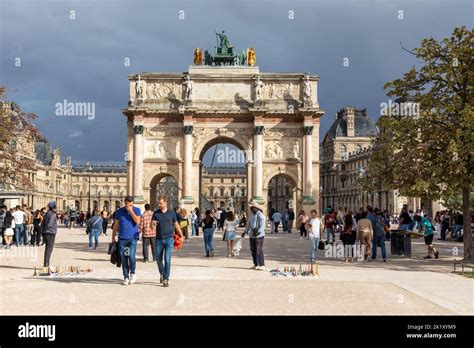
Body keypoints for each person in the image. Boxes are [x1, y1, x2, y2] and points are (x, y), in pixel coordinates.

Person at [152, 195, 183, 287]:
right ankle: (162, 273)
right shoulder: (155, 213)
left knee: (167, 259)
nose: (159, 204)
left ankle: (166, 278)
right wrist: (152, 224)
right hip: (158, 239)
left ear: (166, 203)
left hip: (169, 239)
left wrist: (181, 235)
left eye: (161, 203)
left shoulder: (172, 213)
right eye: (159, 203)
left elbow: (176, 225)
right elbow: (152, 226)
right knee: (158, 259)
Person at [112, 196, 142, 286]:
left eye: (131, 204)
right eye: (128, 205)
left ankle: (132, 273)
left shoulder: (136, 210)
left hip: (133, 238)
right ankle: (126, 276)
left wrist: (131, 211)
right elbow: (116, 225)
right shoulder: (120, 211)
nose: (129, 206)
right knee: (124, 258)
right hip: (122, 238)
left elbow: (137, 221)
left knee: (132, 256)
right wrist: (113, 236)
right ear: (125, 203)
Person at [241, 202, 266, 270]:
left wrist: (257, 233)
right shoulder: (251, 215)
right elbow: (248, 225)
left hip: (259, 235)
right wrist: (245, 232)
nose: (251, 209)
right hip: (252, 235)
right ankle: (256, 264)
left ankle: (262, 264)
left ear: (257, 208)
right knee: (253, 250)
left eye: (253, 207)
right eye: (251, 208)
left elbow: (262, 226)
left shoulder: (261, 215)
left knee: (259, 249)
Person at [42, 202, 58, 269]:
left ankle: (46, 264)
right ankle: (46, 265)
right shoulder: (53, 214)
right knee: (49, 249)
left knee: (47, 250)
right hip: (50, 233)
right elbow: (50, 224)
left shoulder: (46, 214)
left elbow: (43, 223)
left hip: (45, 233)